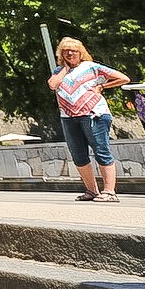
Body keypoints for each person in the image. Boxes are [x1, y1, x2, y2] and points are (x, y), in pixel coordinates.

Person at [48, 37, 131, 202]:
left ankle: (109, 191)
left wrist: (102, 86)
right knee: (78, 154)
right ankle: (92, 190)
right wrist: (65, 68)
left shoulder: (92, 67)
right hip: (69, 116)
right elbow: (53, 84)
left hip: (94, 114)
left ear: (81, 53)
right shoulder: (59, 71)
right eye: (66, 51)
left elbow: (123, 78)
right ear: (61, 54)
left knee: (101, 150)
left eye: (74, 51)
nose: (70, 54)